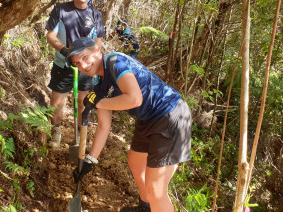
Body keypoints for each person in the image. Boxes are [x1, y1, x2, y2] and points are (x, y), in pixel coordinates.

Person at [67, 37, 191, 212]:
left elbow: (134, 98)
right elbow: (104, 127)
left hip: (170, 114)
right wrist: (90, 160)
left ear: (96, 49)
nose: (84, 66)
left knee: (156, 189)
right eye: (78, 63)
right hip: (148, 118)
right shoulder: (100, 87)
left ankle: (153, 203)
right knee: (135, 161)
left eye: (85, 57)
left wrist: (98, 103)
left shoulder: (115, 61)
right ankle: (146, 207)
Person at [45, 0, 105, 148]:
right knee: (56, 102)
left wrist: (88, 61)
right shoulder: (61, 10)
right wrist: (65, 51)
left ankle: (81, 137)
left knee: (84, 102)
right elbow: (51, 36)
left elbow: (97, 43)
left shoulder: (95, 15)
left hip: (86, 68)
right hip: (63, 64)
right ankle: (55, 133)